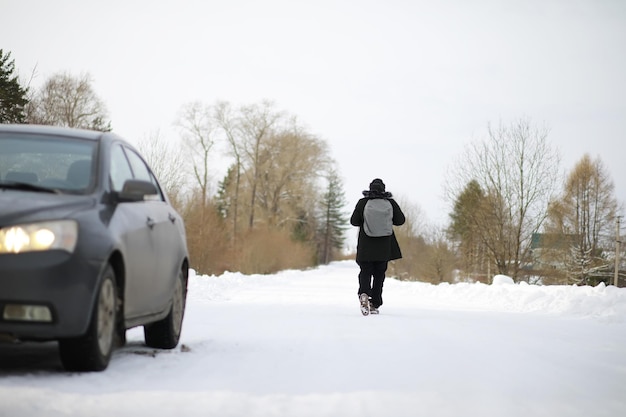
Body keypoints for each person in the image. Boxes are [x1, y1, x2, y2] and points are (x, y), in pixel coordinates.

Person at [350, 178, 405, 314]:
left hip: (366, 246)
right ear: (383, 190)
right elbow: (400, 221)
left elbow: (354, 221)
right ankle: (374, 303)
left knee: (365, 271)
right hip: (384, 247)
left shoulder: (363, 202)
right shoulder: (390, 203)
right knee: (379, 274)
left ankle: (363, 294)